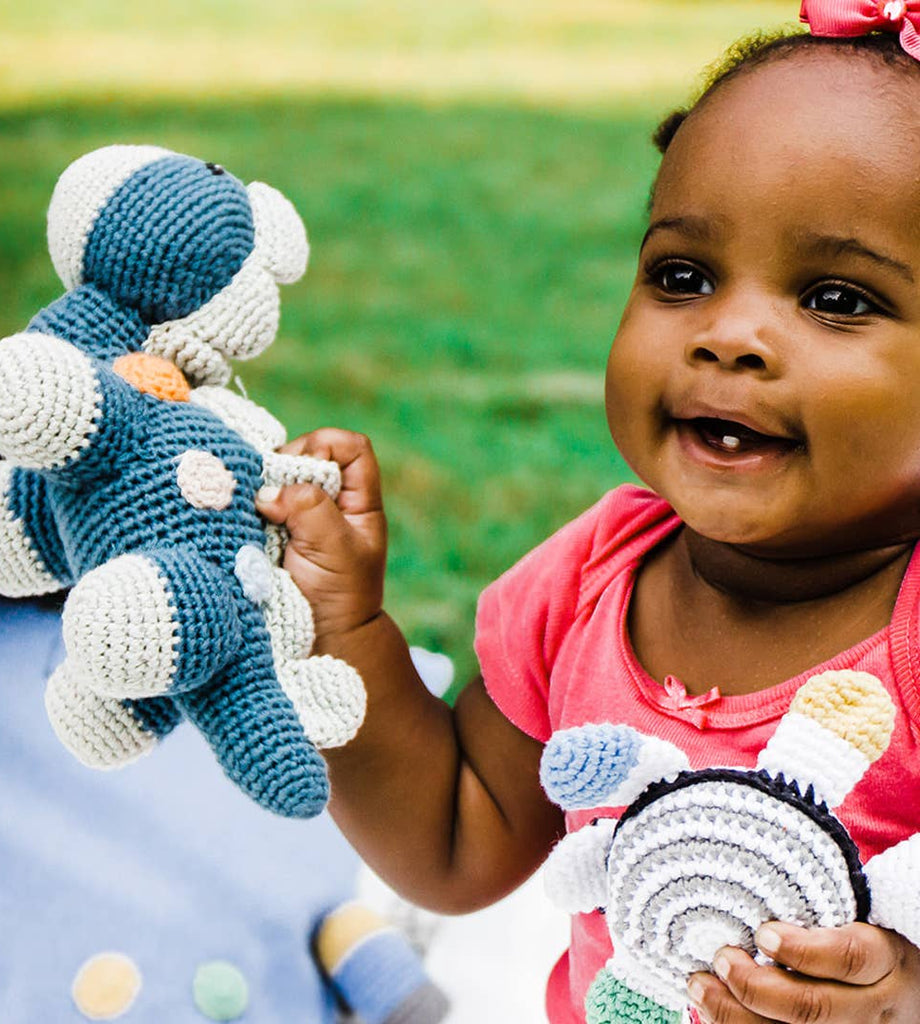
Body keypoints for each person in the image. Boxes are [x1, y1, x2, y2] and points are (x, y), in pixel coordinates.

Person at [254, 8, 920, 1023]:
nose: (729, 334)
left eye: (835, 297)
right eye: (682, 275)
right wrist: (341, 629)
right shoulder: (589, 580)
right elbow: (454, 834)